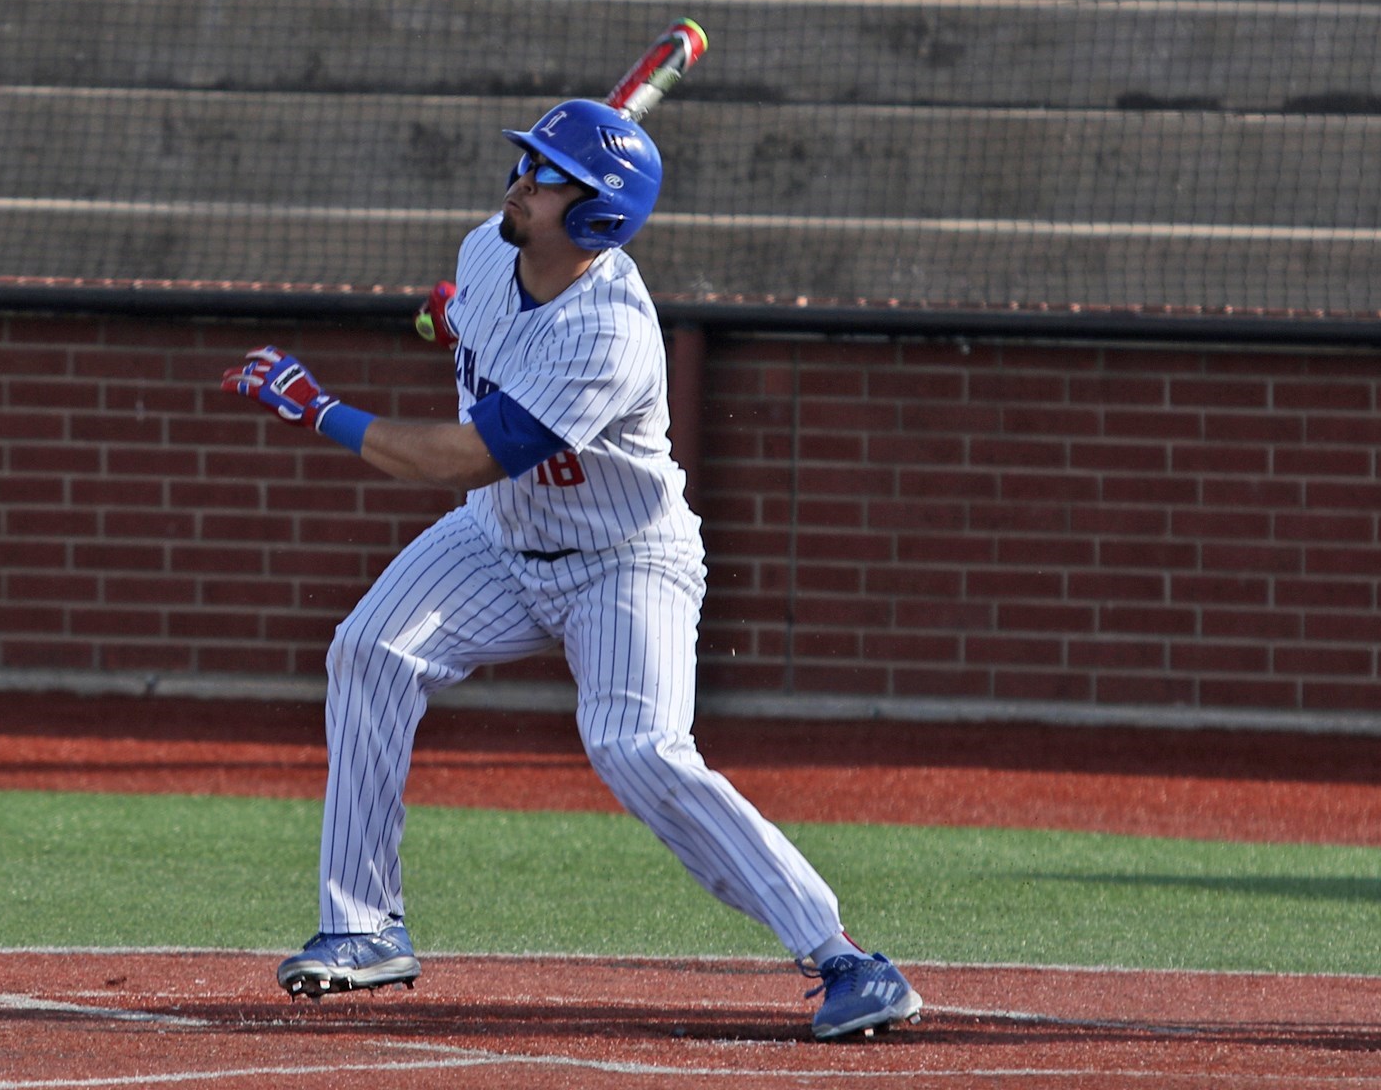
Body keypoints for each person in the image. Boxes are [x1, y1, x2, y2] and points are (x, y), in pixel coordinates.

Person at [219, 97, 923, 1041]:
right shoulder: (487, 250)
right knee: (371, 651)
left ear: (596, 218)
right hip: (504, 539)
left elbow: (462, 457)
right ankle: (363, 929)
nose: (521, 182)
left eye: (549, 177)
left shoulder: (610, 333)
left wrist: (318, 407)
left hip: (623, 561)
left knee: (636, 748)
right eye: (529, 164)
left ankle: (845, 958)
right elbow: (479, 332)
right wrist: (454, 324)